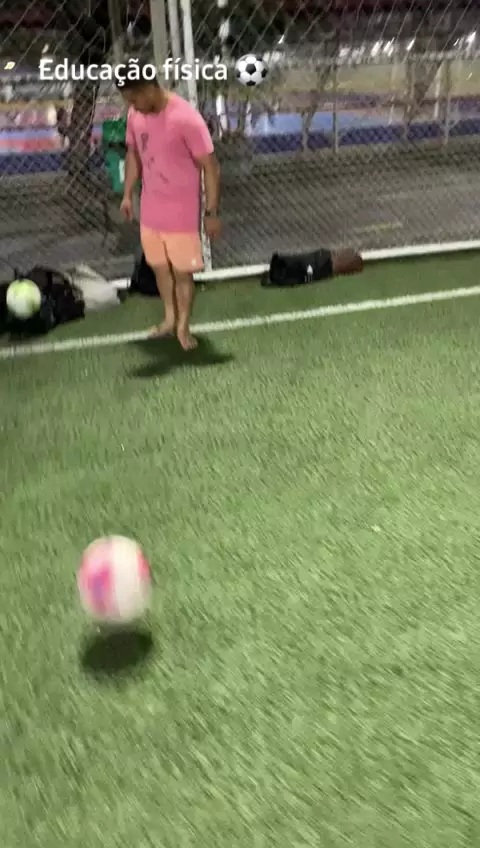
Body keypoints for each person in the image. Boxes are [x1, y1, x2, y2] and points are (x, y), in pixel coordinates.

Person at [116, 65, 221, 350]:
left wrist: (211, 212)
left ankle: (183, 327)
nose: (132, 105)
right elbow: (134, 153)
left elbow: (210, 167)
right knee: (160, 269)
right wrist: (127, 194)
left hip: (180, 214)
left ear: (149, 88)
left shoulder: (186, 118)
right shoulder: (135, 115)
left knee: (182, 273)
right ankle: (170, 318)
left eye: (134, 98)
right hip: (151, 210)